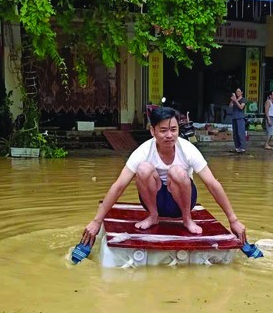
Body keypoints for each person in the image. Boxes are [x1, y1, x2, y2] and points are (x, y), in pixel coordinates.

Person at [81, 106, 247, 247]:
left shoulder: (188, 150)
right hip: (156, 202)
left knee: (177, 171)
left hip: (182, 201)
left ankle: (187, 220)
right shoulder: (143, 151)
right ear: (152, 131)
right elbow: (119, 186)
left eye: (173, 130)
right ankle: (153, 217)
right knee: (144, 169)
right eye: (163, 130)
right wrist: (96, 221)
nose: (169, 135)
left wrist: (233, 220)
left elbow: (212, 183)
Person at [229, 87, 246, 153]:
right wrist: (232, 100)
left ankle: (242, 147)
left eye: (239, 91)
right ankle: (237, 147)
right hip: (234, 117)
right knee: (235, 133)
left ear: (241, 92)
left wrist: (236, 100)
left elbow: (241, 107)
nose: (237, 92)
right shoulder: (234, 99)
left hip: (240, 117)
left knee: (240, 133)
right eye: (236, 91)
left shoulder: (243, 99)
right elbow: (230, 106)